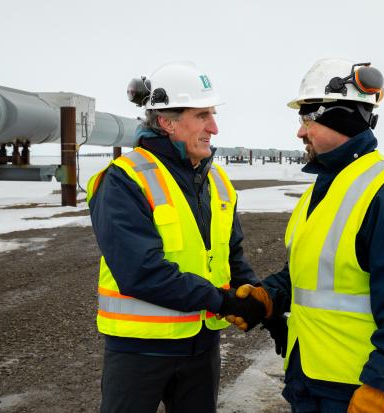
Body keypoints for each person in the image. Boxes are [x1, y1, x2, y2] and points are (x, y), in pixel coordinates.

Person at [227, 59, 384, 413]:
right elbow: (315, 272)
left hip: (359, 389)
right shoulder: (324, 188)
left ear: (340, 117)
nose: (300, 132)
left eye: (307, 119)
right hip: (311, 381)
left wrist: (383, 386)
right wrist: (269, 295)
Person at [87, 61, 265, 413]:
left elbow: (232, 255)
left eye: (212, 114)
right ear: (167, 122)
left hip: (201, 348)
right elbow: (141, 271)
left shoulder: (217, 182)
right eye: (202, 115)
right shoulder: (124, 180)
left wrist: (256, 297)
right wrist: (224, 302)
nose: (214, 127)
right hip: (139, 350)